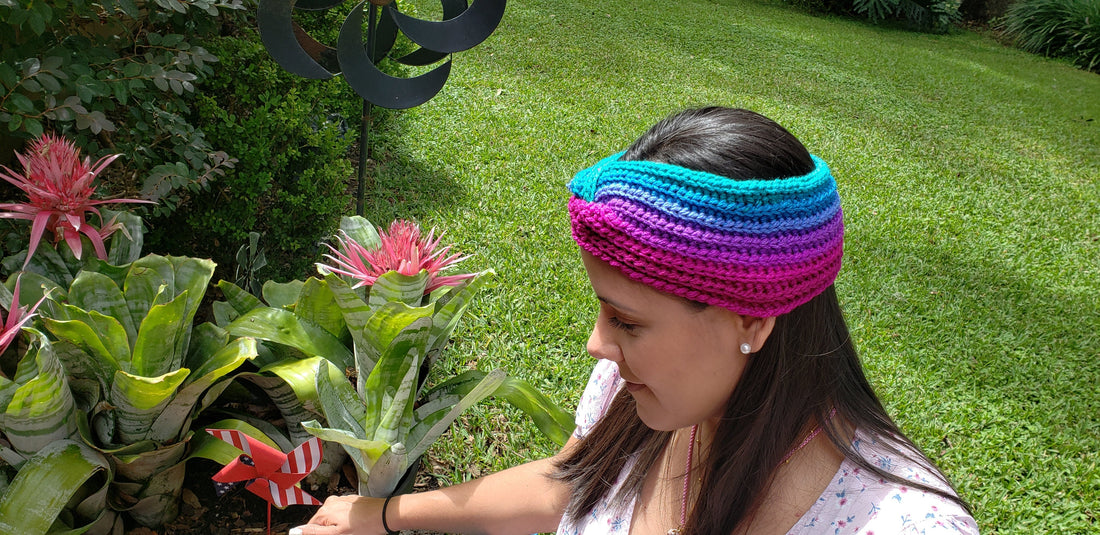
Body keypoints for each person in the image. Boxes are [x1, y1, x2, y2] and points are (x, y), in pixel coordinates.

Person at [295, 107, 979, 535]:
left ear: (753, 321)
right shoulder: (641, 393)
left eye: (627, 320)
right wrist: (382, 515)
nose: (598, 344)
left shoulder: (903, 524)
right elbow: (572, 483)